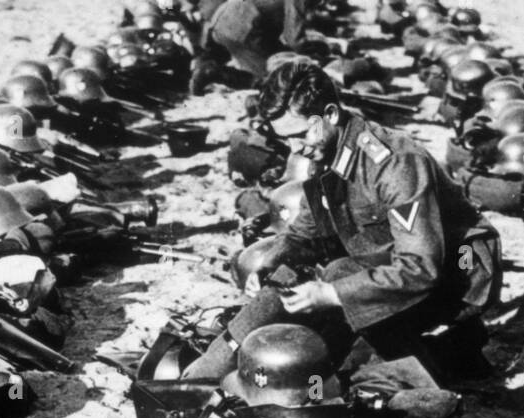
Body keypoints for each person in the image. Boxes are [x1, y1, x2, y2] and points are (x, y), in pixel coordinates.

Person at [183, 58, 500, 381]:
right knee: (296, 279)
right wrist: (268, 266)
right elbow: (303, 233)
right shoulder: (325, 153)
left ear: (331, 115)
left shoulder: (395, 164)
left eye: (300, 135)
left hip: (459, 274)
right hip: (393, 261)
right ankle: (207, 370)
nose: (296, 150)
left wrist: (331, 294)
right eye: (287, 139)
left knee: (340, 296)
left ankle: (436, 358)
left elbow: (419, 268)